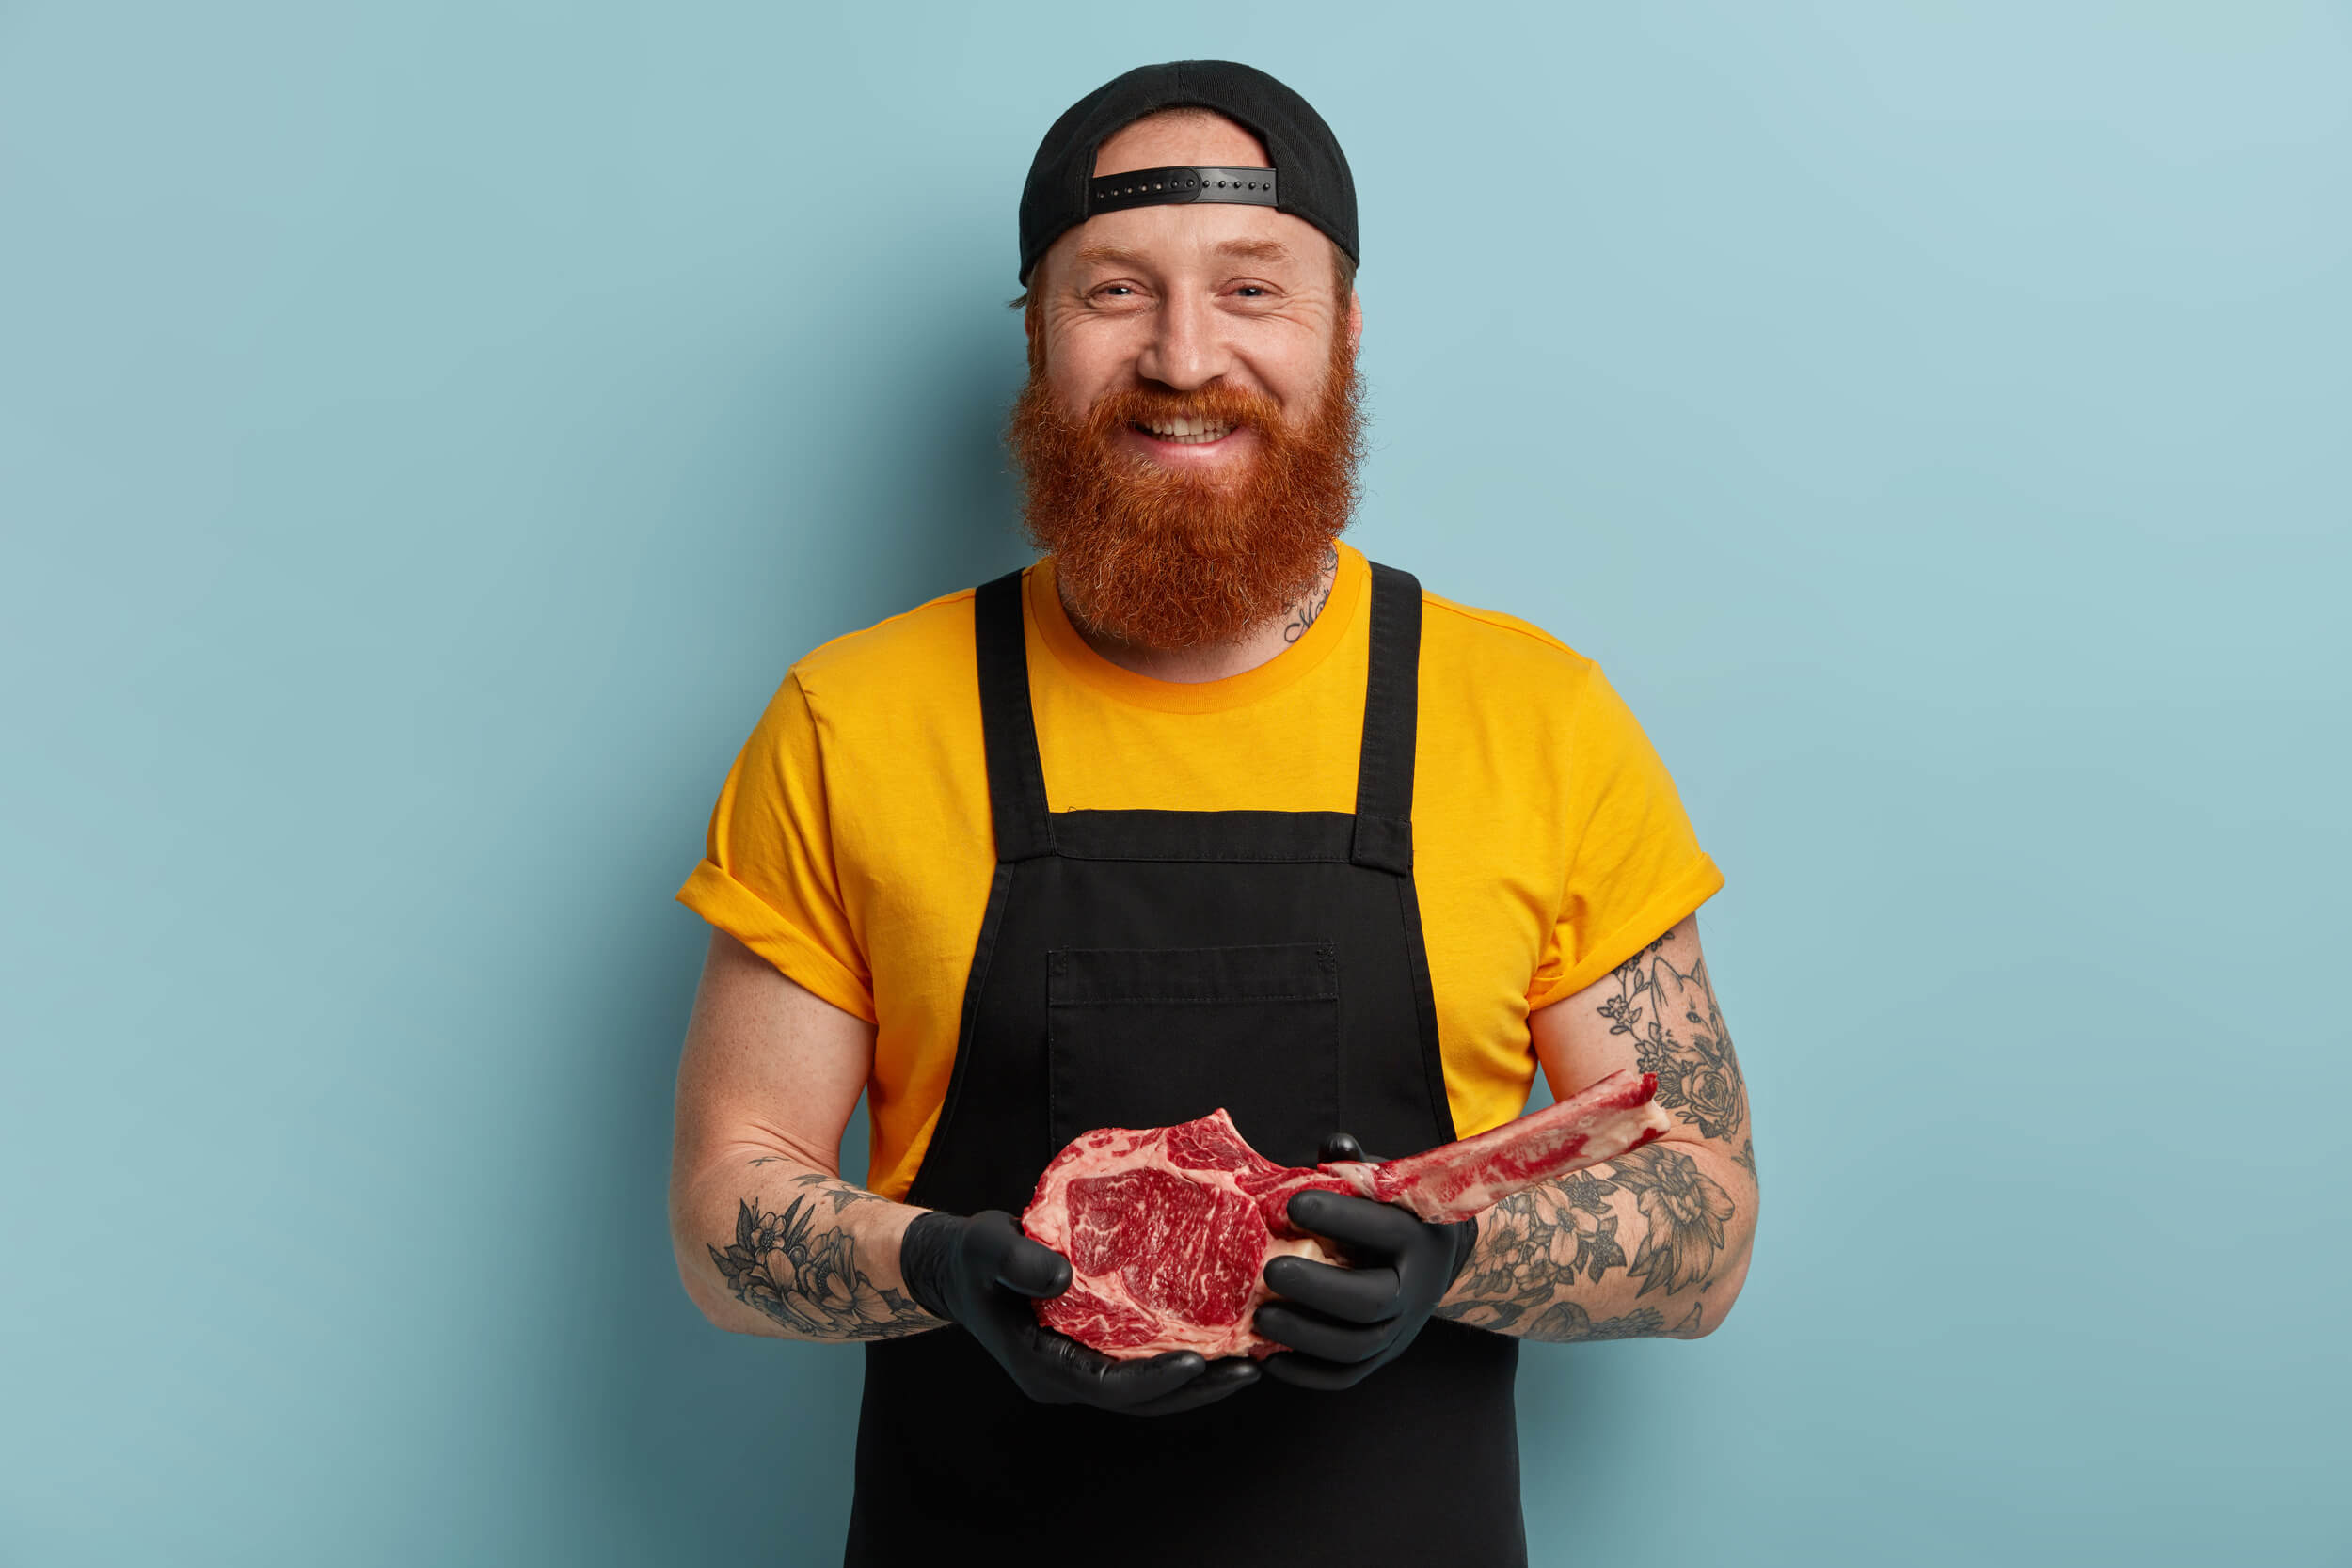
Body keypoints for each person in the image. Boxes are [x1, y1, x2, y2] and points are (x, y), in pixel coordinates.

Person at [668, 59, 1756, 1568]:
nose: (1187, 357)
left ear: (1344, 330)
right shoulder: (855, 720)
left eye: (1253, 289)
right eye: (1117, 291)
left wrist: (1451, 1258)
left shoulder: (1532, 718)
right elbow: (727, 1211)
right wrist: (942, 1266)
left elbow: (1703, 1225)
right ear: (1039, 333)